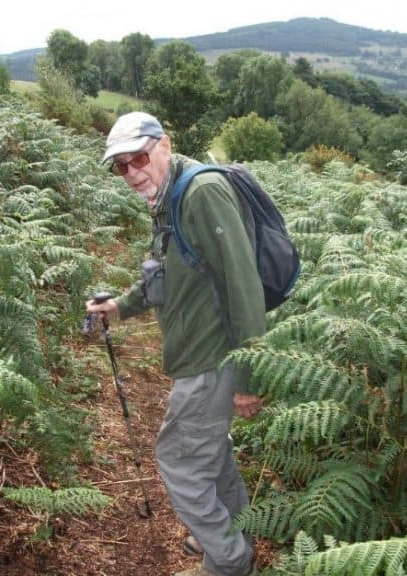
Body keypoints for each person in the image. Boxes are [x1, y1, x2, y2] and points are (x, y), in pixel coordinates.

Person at [86, 111, 264, 576]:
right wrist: (121, 306)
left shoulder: (201, 194)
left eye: (138, 158)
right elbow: (166, 273)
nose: (131, 173)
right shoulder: (169, 194)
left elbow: (244, 286)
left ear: (164, 144)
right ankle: (235, 533)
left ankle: (228, 562)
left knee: (180, 464)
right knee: (213, 454)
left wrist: (248, 378)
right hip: (198, 357)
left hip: (212, 360)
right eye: (120, 166)